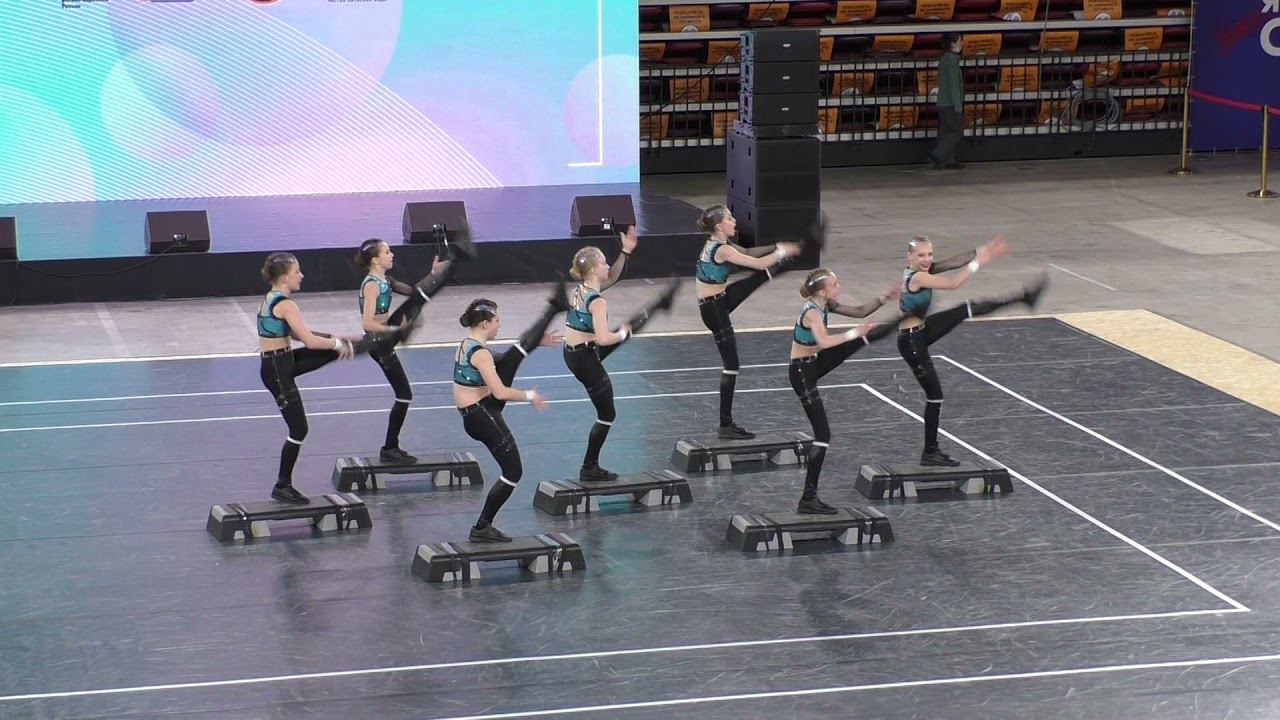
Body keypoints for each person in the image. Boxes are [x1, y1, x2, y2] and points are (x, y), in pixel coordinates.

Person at [257, 252, 411, 504]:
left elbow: (296, 335)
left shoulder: (272, 298)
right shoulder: (286, 305)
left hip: (280, 362)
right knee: (299, 429)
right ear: (285, 277)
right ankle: (282, 485)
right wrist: (337, 343)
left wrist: (334, 339)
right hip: (277, 369)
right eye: (297, 272)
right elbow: (308, 341)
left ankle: (364, 344)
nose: (301, 275)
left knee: (333, 351)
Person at [898, 235, 1048, 465]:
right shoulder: (918, 277)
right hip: (912, 342)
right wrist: (979, 262)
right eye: (921, 255)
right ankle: (930, 452)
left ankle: (1024, 298)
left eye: (930, 254)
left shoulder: (920, 270)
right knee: (935, 396)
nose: (927, 259)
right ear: (909, 256)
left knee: (966, 309)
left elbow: (952, 262)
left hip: (920, 332)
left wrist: (981, 250)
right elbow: (953, 284)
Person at [564, 232, 680, 482]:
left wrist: (625, 251)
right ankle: (589, 467)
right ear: (594, 270)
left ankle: (660, 304)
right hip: (585, 358)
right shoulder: (597, 302)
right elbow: (604, 339)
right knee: (607, 415)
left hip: (574, 352)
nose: (607, 266)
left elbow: (615, 275)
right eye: (603, 262)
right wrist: (622, 334)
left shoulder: (580, 289)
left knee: (628, 328)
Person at [455, 289, 568, 542]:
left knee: (515, 354)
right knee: (513, 472)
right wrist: (530, 395)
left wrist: (535, 342)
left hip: (478, 412)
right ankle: (482, 527)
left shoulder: (467, 345)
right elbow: (500, 392)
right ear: (485, 323)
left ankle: (553, 308)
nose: (499, 326)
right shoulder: (481, 354)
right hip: (482, 415)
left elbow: (504, 359)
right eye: (496, 322)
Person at [789, 269, 898, 513]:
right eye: (835, 284)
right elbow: (824, 342)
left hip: (812, 364)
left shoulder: (824, 304)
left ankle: (896, 322)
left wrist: (884, 298)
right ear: (822, 291)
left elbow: (859, 311)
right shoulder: (812, 313)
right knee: (823, 435)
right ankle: (808, 499)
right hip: (801, 373)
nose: (839, 286)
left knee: (859, 340)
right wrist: (854, 332)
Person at [694, 205, 802, 440]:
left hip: (718, 300)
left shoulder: (719, 243)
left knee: (755, 280)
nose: (734, 221)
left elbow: (748, 251)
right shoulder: (722, 250)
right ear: (720, 226)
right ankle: (725, 424)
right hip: (714, 310)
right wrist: (781, 252)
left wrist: (775, 247)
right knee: (731, 365)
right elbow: (759, 263)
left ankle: (781, 268)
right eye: (730, 218)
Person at [353, 239, 454, 464]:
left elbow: (414, 292)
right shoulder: (371, 285)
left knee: (404, 395)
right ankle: (389, 448)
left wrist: (433, 274)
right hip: (378, 344)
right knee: (404, 395)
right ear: (375, 260)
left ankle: (392, 446)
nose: (392, 255)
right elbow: (367, 323)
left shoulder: (386, 280)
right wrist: (397, 330)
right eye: (387, 252)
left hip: (385, 341)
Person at [928, 32, 966, 170]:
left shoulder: (945, 58)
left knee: (945, 132)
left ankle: (948, 160)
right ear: (952, 43)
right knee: (955, 132)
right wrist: (958, 106)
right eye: (960, 41)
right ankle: (938, 155)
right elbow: (954, 85)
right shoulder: (951, 59)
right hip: (950, 103)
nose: (962, 43)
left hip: (943, 102)